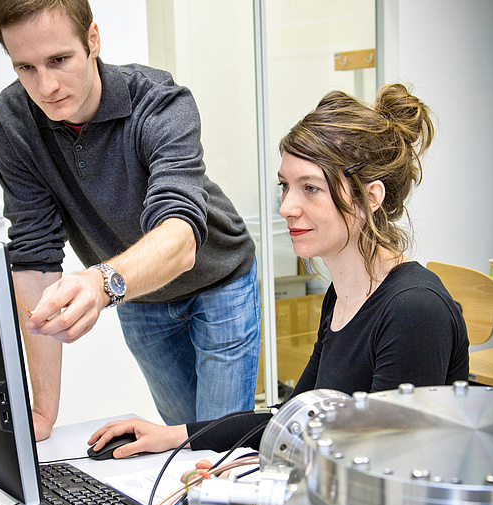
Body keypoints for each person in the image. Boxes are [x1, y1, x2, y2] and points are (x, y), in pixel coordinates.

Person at [87, 83, 469, 458]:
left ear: (370, 197)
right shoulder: (344, 294)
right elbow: (291, 416)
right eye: (285, 186)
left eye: (311, 189)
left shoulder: (415, 311)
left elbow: (383, 464)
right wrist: (174, 435)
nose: (287, 207)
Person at [0, 0, 261, 440]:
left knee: (214, 446)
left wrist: (100, 283)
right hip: (139, 297)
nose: (47, 85)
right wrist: (42, 412)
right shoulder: (14, 120)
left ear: (92, 40)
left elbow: (180, 234)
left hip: (218, 282)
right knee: (179, 438)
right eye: (26, 67)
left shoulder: (158, 101)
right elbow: (35, 256)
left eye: (59, 59)